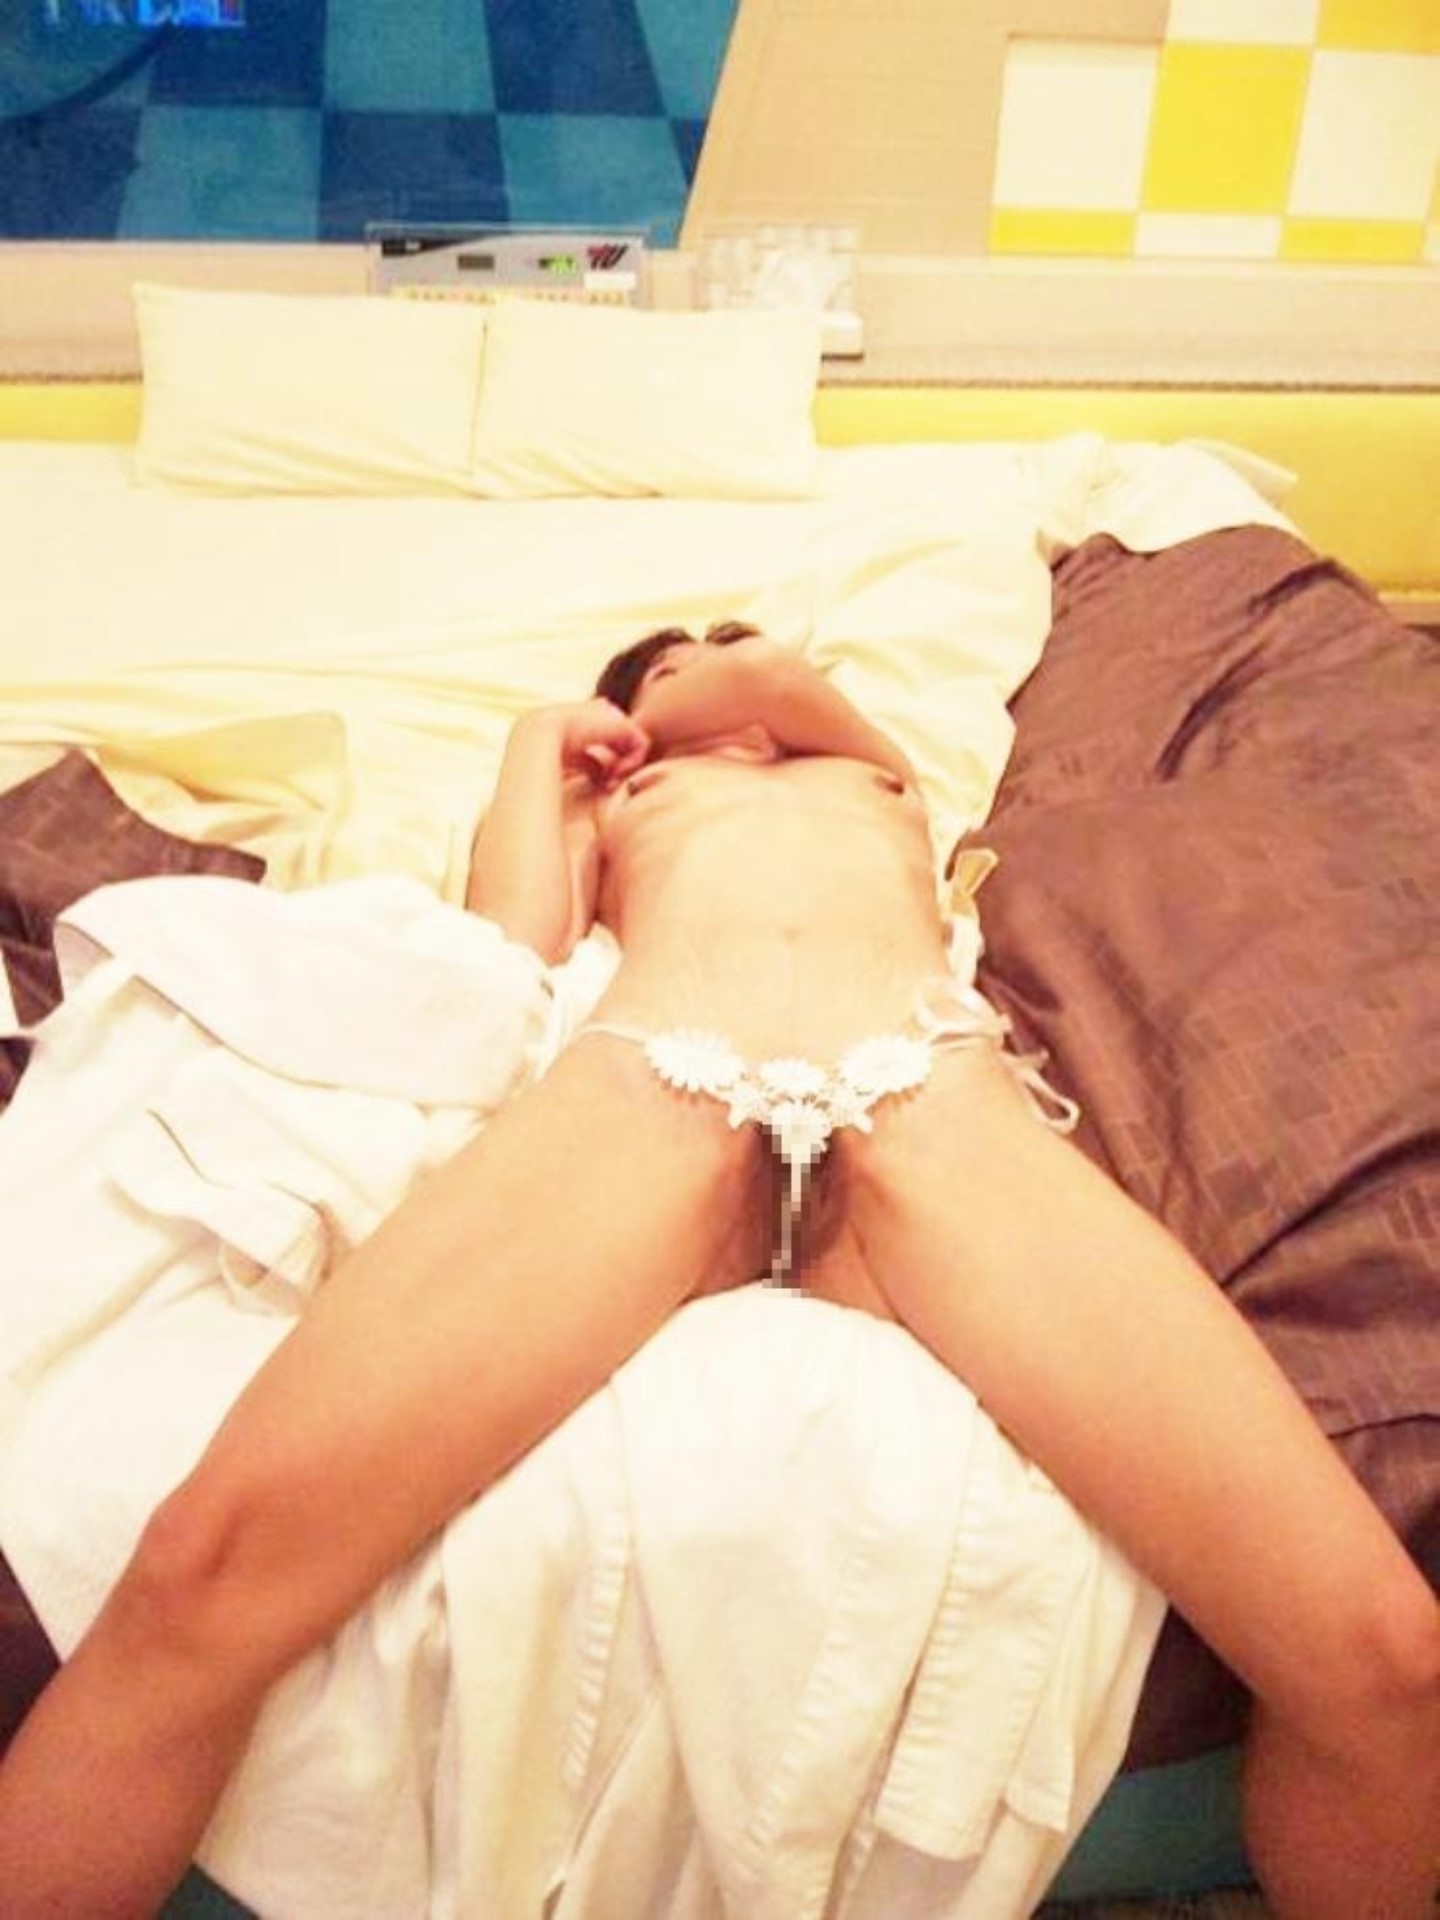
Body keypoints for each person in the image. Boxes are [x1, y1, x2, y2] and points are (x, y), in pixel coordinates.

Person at [0, 625, 1434, 1918]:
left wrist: (686, 689)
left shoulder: (870, 772)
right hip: (655, 1080)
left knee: (1387, 1660)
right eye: (670, 662)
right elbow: (509, 943)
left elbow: (771, 680)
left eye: (725, 649)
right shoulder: (631, 797)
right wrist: (541, 748)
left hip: (921, 1090)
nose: (718, 668)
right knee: (197, 1579)